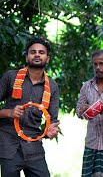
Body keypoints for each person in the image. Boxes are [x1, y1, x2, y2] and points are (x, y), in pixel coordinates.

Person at [0, 37, 60, 177]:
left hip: (34, 147)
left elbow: (52, 121)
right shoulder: (10, 77)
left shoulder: (52, 86)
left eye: (41, 52)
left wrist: (50, 131)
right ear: (27, 57)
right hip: (8, 145)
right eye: (33, 52)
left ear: (47, 58)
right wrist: (9, 112)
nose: (37, 55)